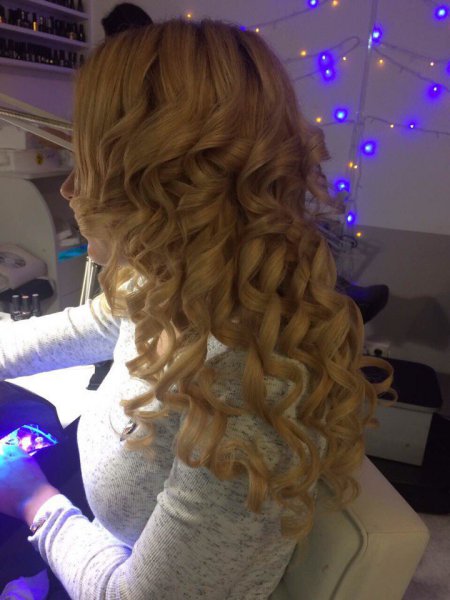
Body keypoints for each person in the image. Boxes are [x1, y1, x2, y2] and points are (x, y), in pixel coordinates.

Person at [0, 19, 394, 599]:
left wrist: (33, 500)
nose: (69, 190)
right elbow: (80, 327)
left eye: (89, 167)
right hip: (94, 530)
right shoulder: (167, 287)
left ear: (159, 185)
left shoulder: (247, 389)